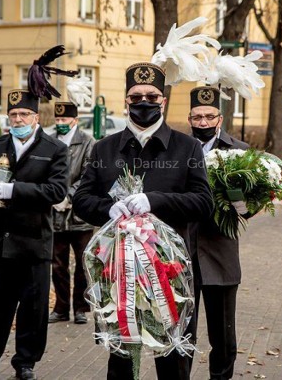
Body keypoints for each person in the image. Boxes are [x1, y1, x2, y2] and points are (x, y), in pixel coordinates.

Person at [72, 62, 213, 380]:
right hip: (117, 272)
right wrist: (108, 209)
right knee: (121, 360)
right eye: (136, 97)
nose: (144, 102)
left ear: (163, 100)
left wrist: (155, 200)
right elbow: (82, 200)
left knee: (172, 359)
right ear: (125, 100)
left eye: (151, 95)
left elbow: (204, 202)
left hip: (171, 273)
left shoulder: (187, 147)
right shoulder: (105, 148)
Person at [0, 89, 68, 380]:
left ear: (36, 117)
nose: (18, 119)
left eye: (24, 114)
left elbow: (56, 190)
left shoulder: (54, 148)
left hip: (34, 241)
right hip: (0, 240)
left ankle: (25, 363)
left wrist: (16, 191)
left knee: (33, 309)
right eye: (13, 114)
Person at [187, 86, 249, 380]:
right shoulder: (176, 148)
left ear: (220, 118)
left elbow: (251, 207)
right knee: (180, 333)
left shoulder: (240, 151)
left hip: (221, 254)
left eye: (209, 116)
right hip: (181, 254)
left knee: (223, 336)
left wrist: (241, 203)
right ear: (189, 119)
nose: (203, 123)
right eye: (197, 117)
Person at [47, 101, 95, 325]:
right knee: (57, 264)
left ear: (75, 120)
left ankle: (81, 307)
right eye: (57, 120)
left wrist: (69, 196)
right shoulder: (49, 141)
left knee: (83, 263)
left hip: (80, 215)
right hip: (54, 214)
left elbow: (88, 174)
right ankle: (61, 307)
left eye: (65, 120)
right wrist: (54, 196)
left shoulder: (87, 142)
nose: (61, 124)